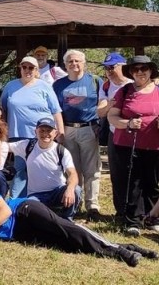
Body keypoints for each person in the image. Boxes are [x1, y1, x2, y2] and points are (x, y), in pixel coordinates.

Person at [0, 177, 159, 267]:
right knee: (69, 244)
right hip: (21, 235)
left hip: (23, 210)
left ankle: (122, 254)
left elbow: (3, 210)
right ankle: (128, 248)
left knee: (67, 228)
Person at [107, 55, 159, 237]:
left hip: (157, 144)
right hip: (127, 144)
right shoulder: (124, 91)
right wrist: (128, 124)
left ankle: (153, 218)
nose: (139, 72)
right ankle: (133, 220)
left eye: (143, 69)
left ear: (150, 70)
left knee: (153, 182)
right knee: (132, 182)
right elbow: (112, 116)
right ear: (131, 72)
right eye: (135, 69)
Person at [1, 56, 64, 198]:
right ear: (20, 68)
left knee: (41, 168)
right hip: (18, 134)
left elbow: (56, 110)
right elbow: (2, 110)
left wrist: (61, 132)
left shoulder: (44, 86)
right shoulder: (10, 86)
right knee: (20, 169)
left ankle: (43, 199)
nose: (27, 70)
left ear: (36, 70)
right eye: (24, 67)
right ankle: (17, 202)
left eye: (31, 68)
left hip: (43, 135)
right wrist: (3, 133)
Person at [53, 49, 105, 219]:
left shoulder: (95, 81)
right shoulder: (58, 85)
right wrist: (59, 130)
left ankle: (93, 205)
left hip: (88, 128)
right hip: (67, 129)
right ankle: (76, 201)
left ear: (84, 63)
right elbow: (56, 110)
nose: (74, 64)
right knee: (73, 169)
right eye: (70, 61)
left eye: (77, 61)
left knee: (92, 169)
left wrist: (98, 123)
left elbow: (104, 102)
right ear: (65, 65)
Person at [9, 117, 81, 220]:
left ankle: (66, 220)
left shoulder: (61, 151)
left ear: (55, 133)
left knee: (76, 190)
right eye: (42, 130)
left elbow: (72, 174)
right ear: (35, 132)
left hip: (57, 192)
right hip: (36, 195)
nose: (45, 134)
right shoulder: (27, 146)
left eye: (49, 131)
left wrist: (69, 189)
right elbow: (5, 147)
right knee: (27, 210)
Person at [98, 52, 131, 218]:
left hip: (135, 135)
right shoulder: (105, 86)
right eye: (106, 68)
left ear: (122, 66)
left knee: (136, 173)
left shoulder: (134, 83)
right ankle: (120, 211)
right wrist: (110, 104)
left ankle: (137, 210)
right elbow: (101, 112)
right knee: (117, 174)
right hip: (114, 133)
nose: (109, 71)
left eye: (112, 67)